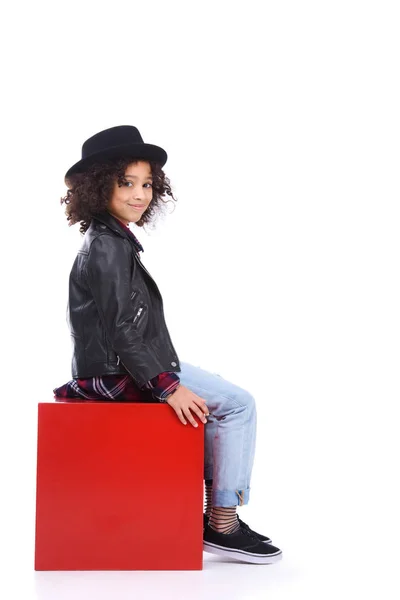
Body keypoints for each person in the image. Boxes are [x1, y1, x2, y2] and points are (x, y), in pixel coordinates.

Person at [53, 125, 282, 565]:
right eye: (126, 183)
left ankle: (216, 519)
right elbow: (122, 329)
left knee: (220, 398)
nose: (139, 194)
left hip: (116, 366)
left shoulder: (112, 241)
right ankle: (223, 525)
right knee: (236, 404)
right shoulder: (107, 246)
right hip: (117, 372)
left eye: (146, 184)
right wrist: (167, 386)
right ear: (99, 185)